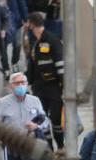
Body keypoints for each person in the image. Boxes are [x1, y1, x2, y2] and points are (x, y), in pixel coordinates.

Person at [25, 12, 64, 146]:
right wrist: (27, 84)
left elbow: (60, 65)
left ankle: (60, 147)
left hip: (54, 87)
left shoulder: (52, 40)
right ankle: (49, 150)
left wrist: (64, 87)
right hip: (39, 88)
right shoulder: (35, 42)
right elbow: (32, 65)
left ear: (32, 25)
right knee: (42, 119)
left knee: (56, 121)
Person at [1, 0, 29, 74]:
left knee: (17, 44)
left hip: (16, 22)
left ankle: (14, 63)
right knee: (3, 46)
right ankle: (5, 67)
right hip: (1, 22)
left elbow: (22, 4)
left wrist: (25, 19)